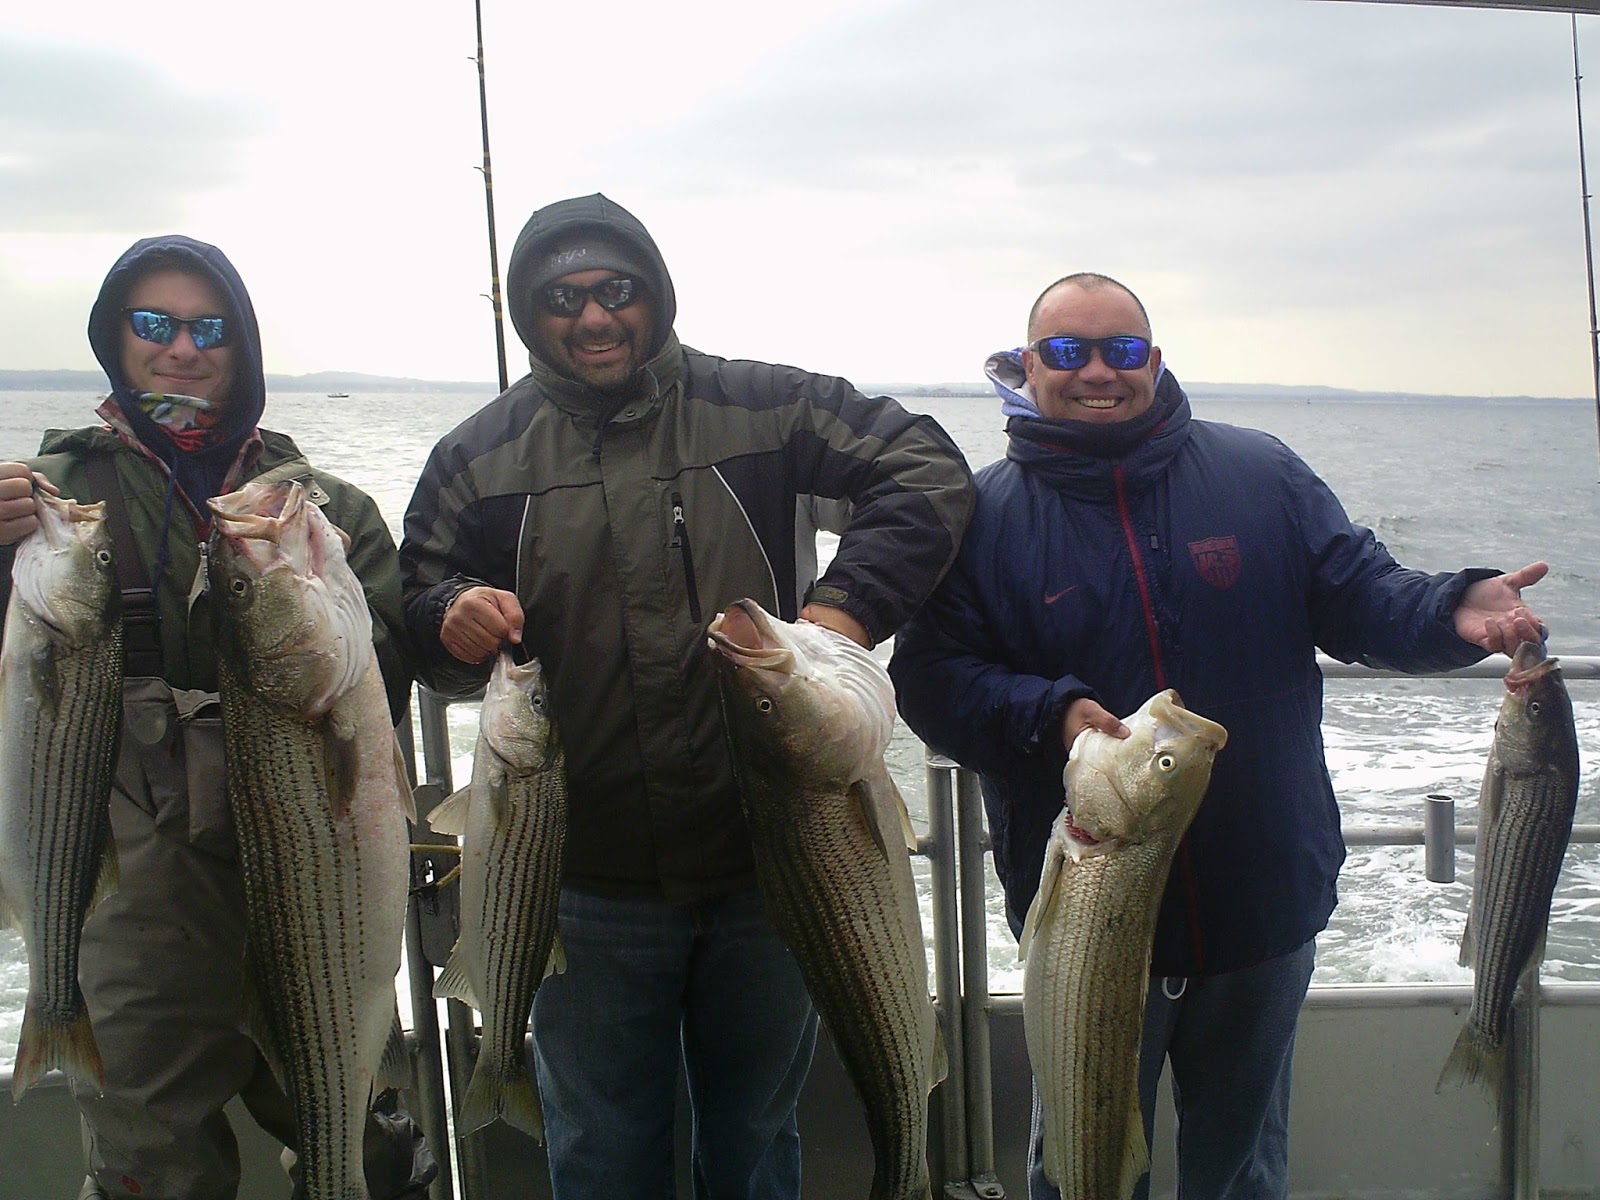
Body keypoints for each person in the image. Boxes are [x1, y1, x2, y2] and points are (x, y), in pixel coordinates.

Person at [887, 271, 1548, 1200]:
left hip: (1260, 901)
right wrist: (1050, 714)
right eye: (1068, 352)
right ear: (1026, 366)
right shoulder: (983, 514)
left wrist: (1452, 608)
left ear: (1153, 361)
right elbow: (930, 679)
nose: (1097, 373)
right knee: (1076, 1160)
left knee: (1241, 1169)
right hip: (1088, 922)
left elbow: (1360, 596)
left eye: (1121, 350)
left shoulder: (1260, 472)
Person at [400, 192, 974, 1199]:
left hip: (777, 873)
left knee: (755, 1146)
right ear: (528, 318)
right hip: (580, 884)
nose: (592, 317)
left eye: (615, 290)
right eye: (561, 299)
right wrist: (450, 612)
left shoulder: (768, 406)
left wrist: (839, 617)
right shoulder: (476, 459)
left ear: (654, 294)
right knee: (599, 1156)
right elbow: (417, 602)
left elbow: (924, 469)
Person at [0, 235, 437, 1200]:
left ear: (243, 348)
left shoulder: (325, 508)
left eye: (210, 328)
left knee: (354, 1127)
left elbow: (389, 667)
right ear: (116, 338)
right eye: (152, 324)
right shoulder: (46, 502)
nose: (181, 349)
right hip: (130, 889)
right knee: (152, 1154)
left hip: (311, 865)